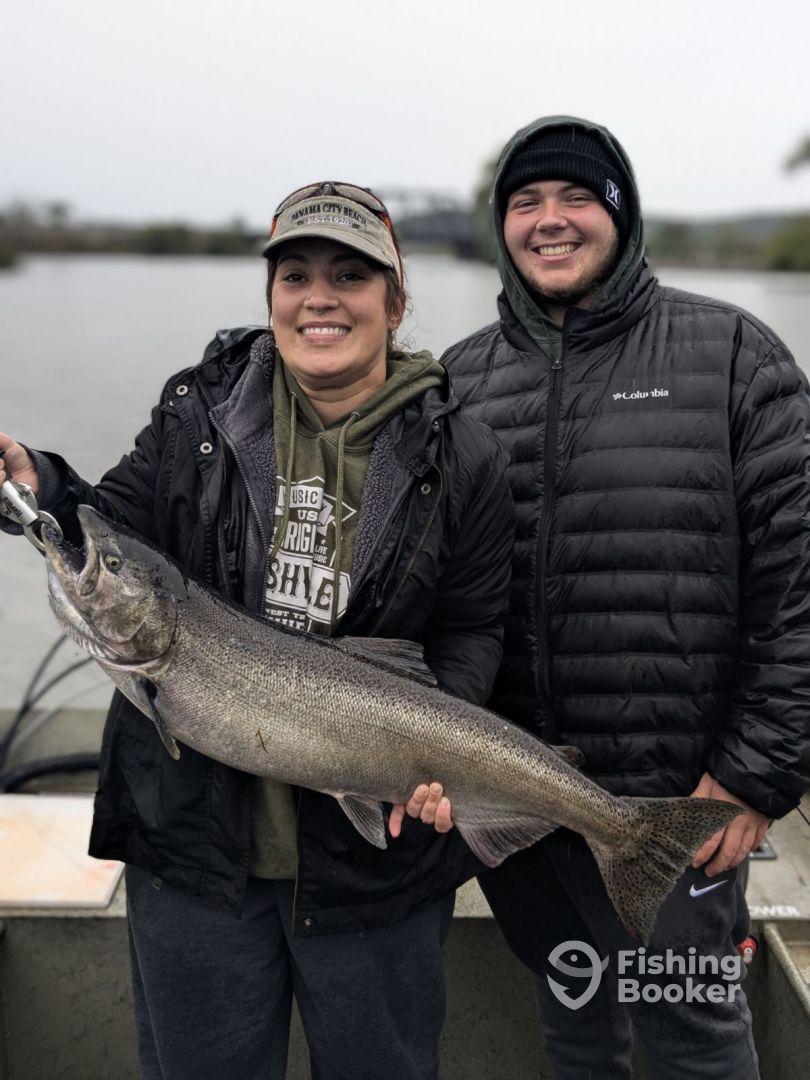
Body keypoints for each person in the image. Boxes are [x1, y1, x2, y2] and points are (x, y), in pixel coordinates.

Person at [0, 180, 514, 1080]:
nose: (320, 298)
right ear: (271, 296)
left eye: (350, 276)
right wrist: (38, 481)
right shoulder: (196, 413)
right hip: (195, 858)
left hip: (375, 873)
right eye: (296, 275)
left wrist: (437, 757)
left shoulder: (461, 452)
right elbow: (108, 523)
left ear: (395, 302)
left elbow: (472, 628)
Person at [417, 116, 810, 1078]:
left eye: (576, 197)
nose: (549, 220)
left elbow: (798, 584)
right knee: (576, 1023)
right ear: (500, 226)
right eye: (525, 202)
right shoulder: (458, 380)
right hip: (516, 800)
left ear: (622, 216)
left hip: (677, 798)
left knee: (692, 1037)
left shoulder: (733, 354)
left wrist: (755, 776)